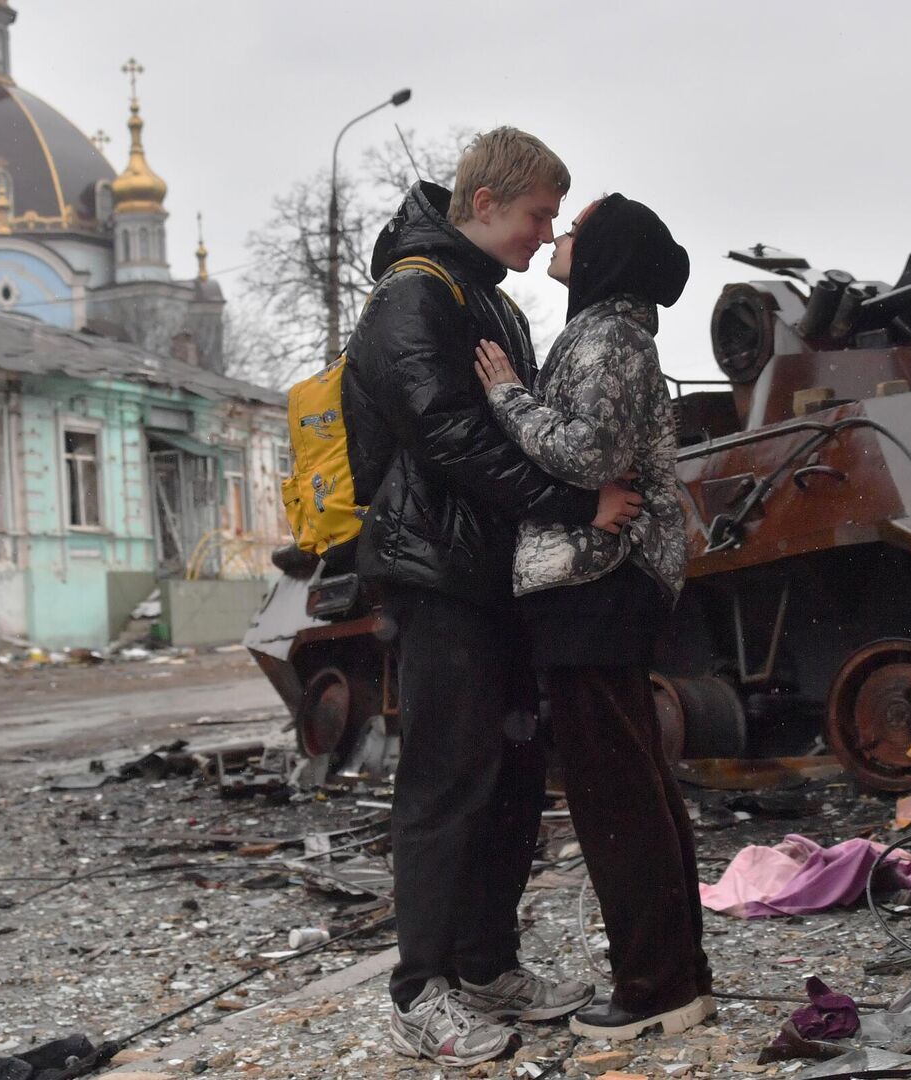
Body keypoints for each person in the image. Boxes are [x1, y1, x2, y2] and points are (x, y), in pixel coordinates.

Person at [341, 129, 646, 1068]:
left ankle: (485, 963)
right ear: (484, 204)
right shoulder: (414, 296)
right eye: (538, 216)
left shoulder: (486, 301)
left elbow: (520, 431)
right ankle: (418, 990)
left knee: (510, 778)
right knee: (444, 784)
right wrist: (576, 506)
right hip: (439, 577)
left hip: (496, 574)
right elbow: (451, 440)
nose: (545, 233)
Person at [471, 193, 713, 1040]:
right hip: (605, 583)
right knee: (638, 785)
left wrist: (506, 395)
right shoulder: (611, 333)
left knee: (615, 797)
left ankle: (653, 988)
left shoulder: (607, 338)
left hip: (598, 579)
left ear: (606, 253)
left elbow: (588, 456)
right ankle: (677, 973)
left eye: (577, 230)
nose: (560, 236)